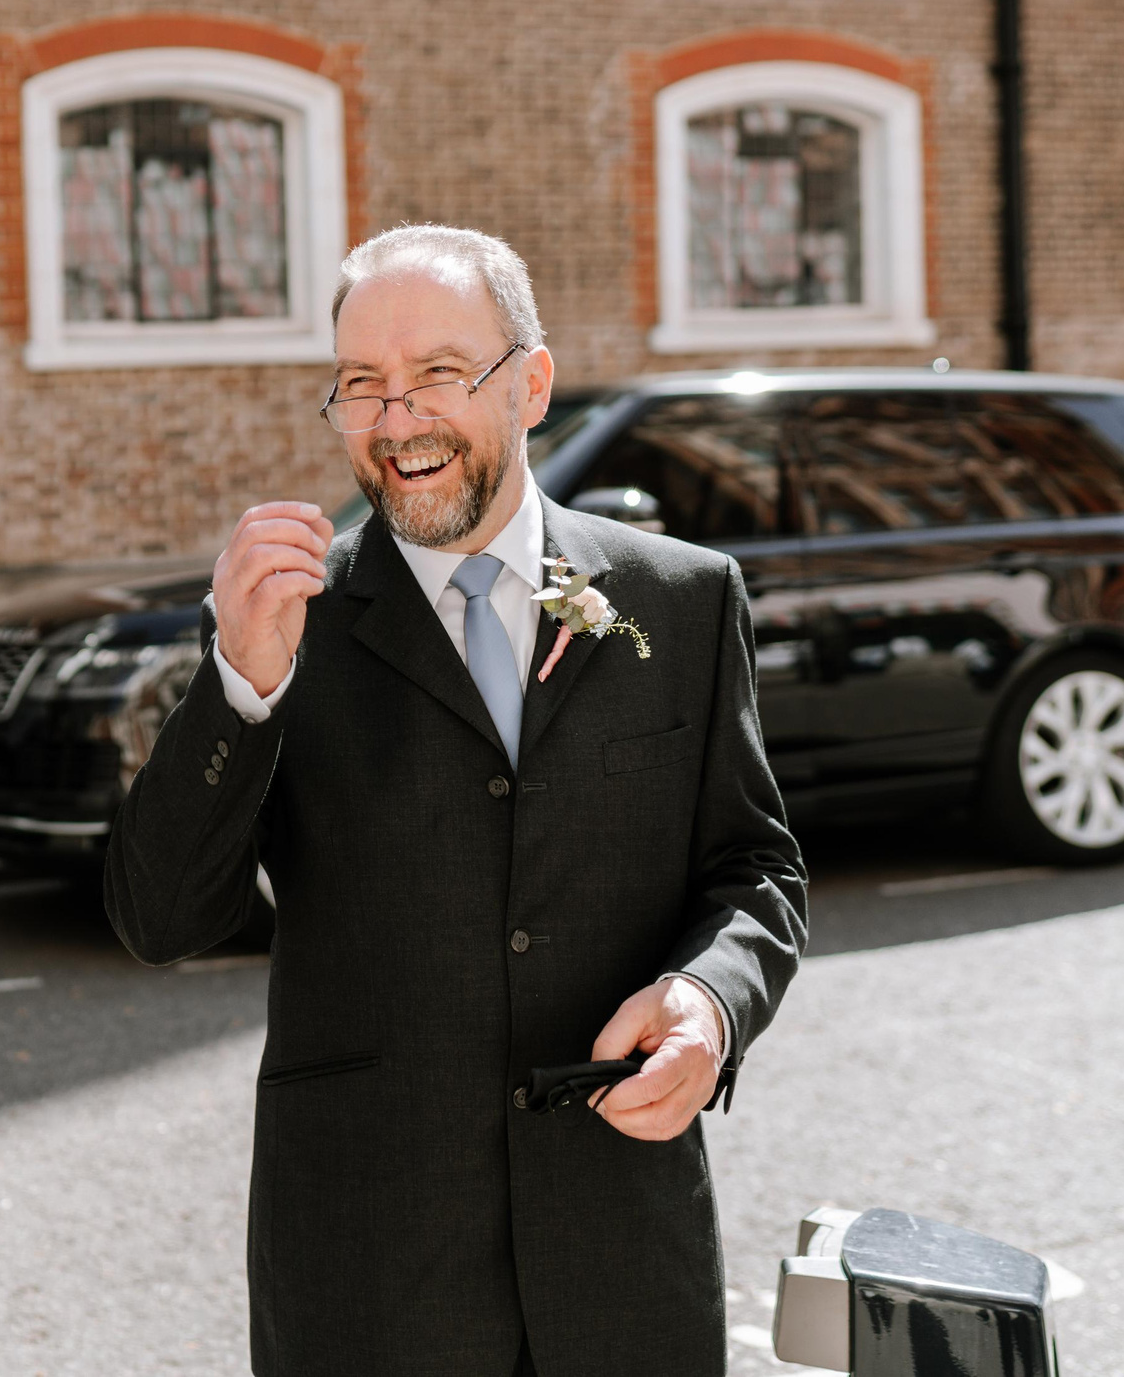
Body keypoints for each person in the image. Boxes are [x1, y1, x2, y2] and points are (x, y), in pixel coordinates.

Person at [105, 225, 809, 1377]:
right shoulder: (286, 620)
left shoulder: (680, 600)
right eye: (360, 387)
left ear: (529, 384)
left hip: (622, 1263)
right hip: (367, 1278)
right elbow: (160, 919)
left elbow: (755, 871)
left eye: (437, 375)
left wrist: (709, 1003)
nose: (396, 419)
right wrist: (238, 689)